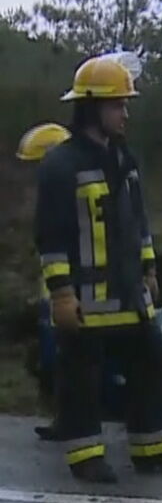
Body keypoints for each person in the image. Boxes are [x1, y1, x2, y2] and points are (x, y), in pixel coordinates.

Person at [35, 55, 162, 483]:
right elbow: (50, 238)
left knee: (152, 363)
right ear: (92, 109)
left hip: (129, 295)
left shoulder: (126, 160)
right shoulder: (61, 166)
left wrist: (149, 269)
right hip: (86, 301)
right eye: (117, 105)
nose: (125, 114)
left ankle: (152, 450)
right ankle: (86, 456)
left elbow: (139, 223)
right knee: (81, 379)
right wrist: (62, 294)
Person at [18, 123, 72, 441]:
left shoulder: (66, 199)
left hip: (66, 295)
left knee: (69, 361)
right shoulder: (49, 198)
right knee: (55, 362)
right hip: (51, 296)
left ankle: (75, 420)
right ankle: (64, 417)